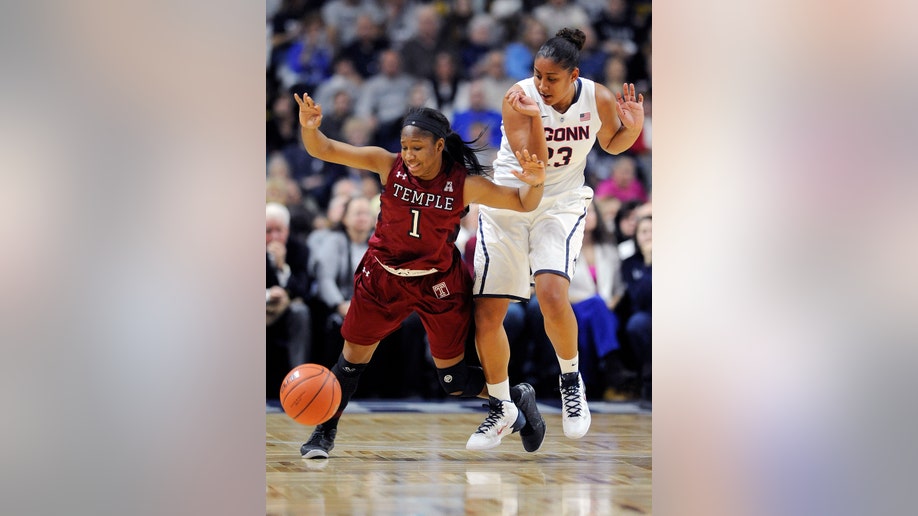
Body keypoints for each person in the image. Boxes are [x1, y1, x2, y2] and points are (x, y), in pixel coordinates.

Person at [292, 92, 548, 458]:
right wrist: (310, 128)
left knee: (454, 380)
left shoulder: (463, 183)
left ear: (439, 146)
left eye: (417, 148)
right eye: (405, 147)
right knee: (350, 362)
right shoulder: (387, 164)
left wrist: (535, 183)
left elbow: (522, 202)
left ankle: (515, 397)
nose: (409, 155)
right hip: (384, 276)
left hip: (437, 283)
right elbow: (325, 149)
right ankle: (324, 432)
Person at [470, 27, 644, 447]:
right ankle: (501, 407)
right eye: (537, 75)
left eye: (551, 78)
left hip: (560, 204)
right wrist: (534, 115)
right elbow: (536, 164)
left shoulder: (598, 98)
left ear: (574, 75)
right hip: (511, 200)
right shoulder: (518, 97)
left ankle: (570, 381)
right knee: (489, 313)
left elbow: (611, 143)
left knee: (551, 294)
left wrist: (633, 129)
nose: (542, 85)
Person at [266, 202, 313, 396]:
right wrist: (268, 294)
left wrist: (282, 267)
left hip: (284, 311)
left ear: (287, 230)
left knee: (301, 312)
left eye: (279, 230)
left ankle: (298, 382)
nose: (274, 237)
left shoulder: (299, 249)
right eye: (268, 231)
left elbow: (303, 291)